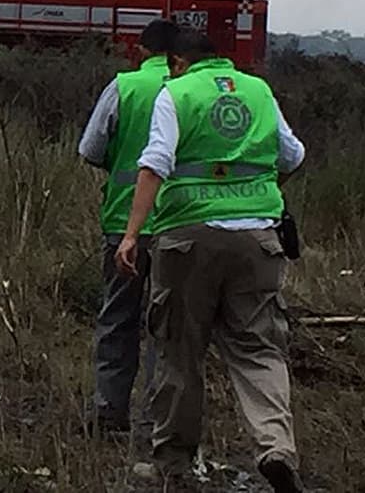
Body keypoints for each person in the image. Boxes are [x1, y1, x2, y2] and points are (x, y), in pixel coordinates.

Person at [116, 29, 306, 493]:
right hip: (258, 240)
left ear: (179, 61)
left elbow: (155, 162)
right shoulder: (258, 90)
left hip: (187, 240)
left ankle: (174, 465)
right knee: (259, 349)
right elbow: (294, 154)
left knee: (180, 350)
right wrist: (258, 189)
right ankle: (275, 447)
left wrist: (132, 234)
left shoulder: (175, 93)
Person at [78, 18, 178, 438]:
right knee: (167, 327)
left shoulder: (123, 87)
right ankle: (158, 422)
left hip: (123, 224)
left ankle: (108, 412)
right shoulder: (188, 93)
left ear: (140, 51)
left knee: (118, 318)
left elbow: (91, 149)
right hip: (178, 225)